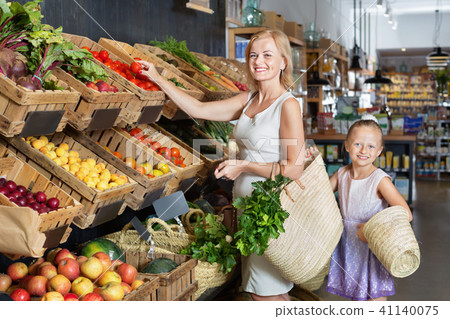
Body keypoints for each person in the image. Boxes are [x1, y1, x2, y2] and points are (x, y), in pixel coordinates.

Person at [138, 29, 305, 301]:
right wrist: (157, 78)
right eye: (253, 55)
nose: (258, 61)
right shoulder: (249, 100)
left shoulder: (287, 106)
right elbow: (198, 110)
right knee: (267, 291)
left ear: (283, 61)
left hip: (268, 211)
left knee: (264, 292)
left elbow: (294, 168)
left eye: (267, 55)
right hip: (247, 208)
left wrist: (243, 167)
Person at [325, 115, 413, 301]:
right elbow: (320, 193)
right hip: (349, 245)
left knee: (374, 300)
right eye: (357, 144)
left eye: (371, 146)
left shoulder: (379, 179)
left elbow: (405, 213)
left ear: (379, 151)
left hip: (372, 247)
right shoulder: (341, 174)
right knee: (356, 298)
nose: (364, 150)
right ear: (347, 146)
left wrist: (372, 227)